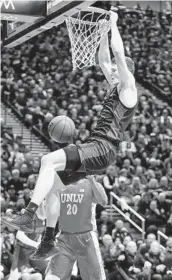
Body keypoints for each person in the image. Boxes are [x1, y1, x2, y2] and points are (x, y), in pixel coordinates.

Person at [2, 10, 138, 233]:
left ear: (126, 73)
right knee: (52, 186)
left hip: (102, 148)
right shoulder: (115, 84)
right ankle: (47, 237)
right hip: (99, 150)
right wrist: (102, 31)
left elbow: (117, 53)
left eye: (116, 70)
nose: (111, 71)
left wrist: (113, 23)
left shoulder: (128, 89)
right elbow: (104, 59)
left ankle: (27, 215)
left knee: (47, 160)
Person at [33, 172, 108, 280]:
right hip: (64, 239)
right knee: (52, 277)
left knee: (96, 277)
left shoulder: (91, 184)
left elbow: (104, 201)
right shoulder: (59, 185)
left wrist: (92, 180)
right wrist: (39, 203)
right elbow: (43, 215)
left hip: (86, 238)